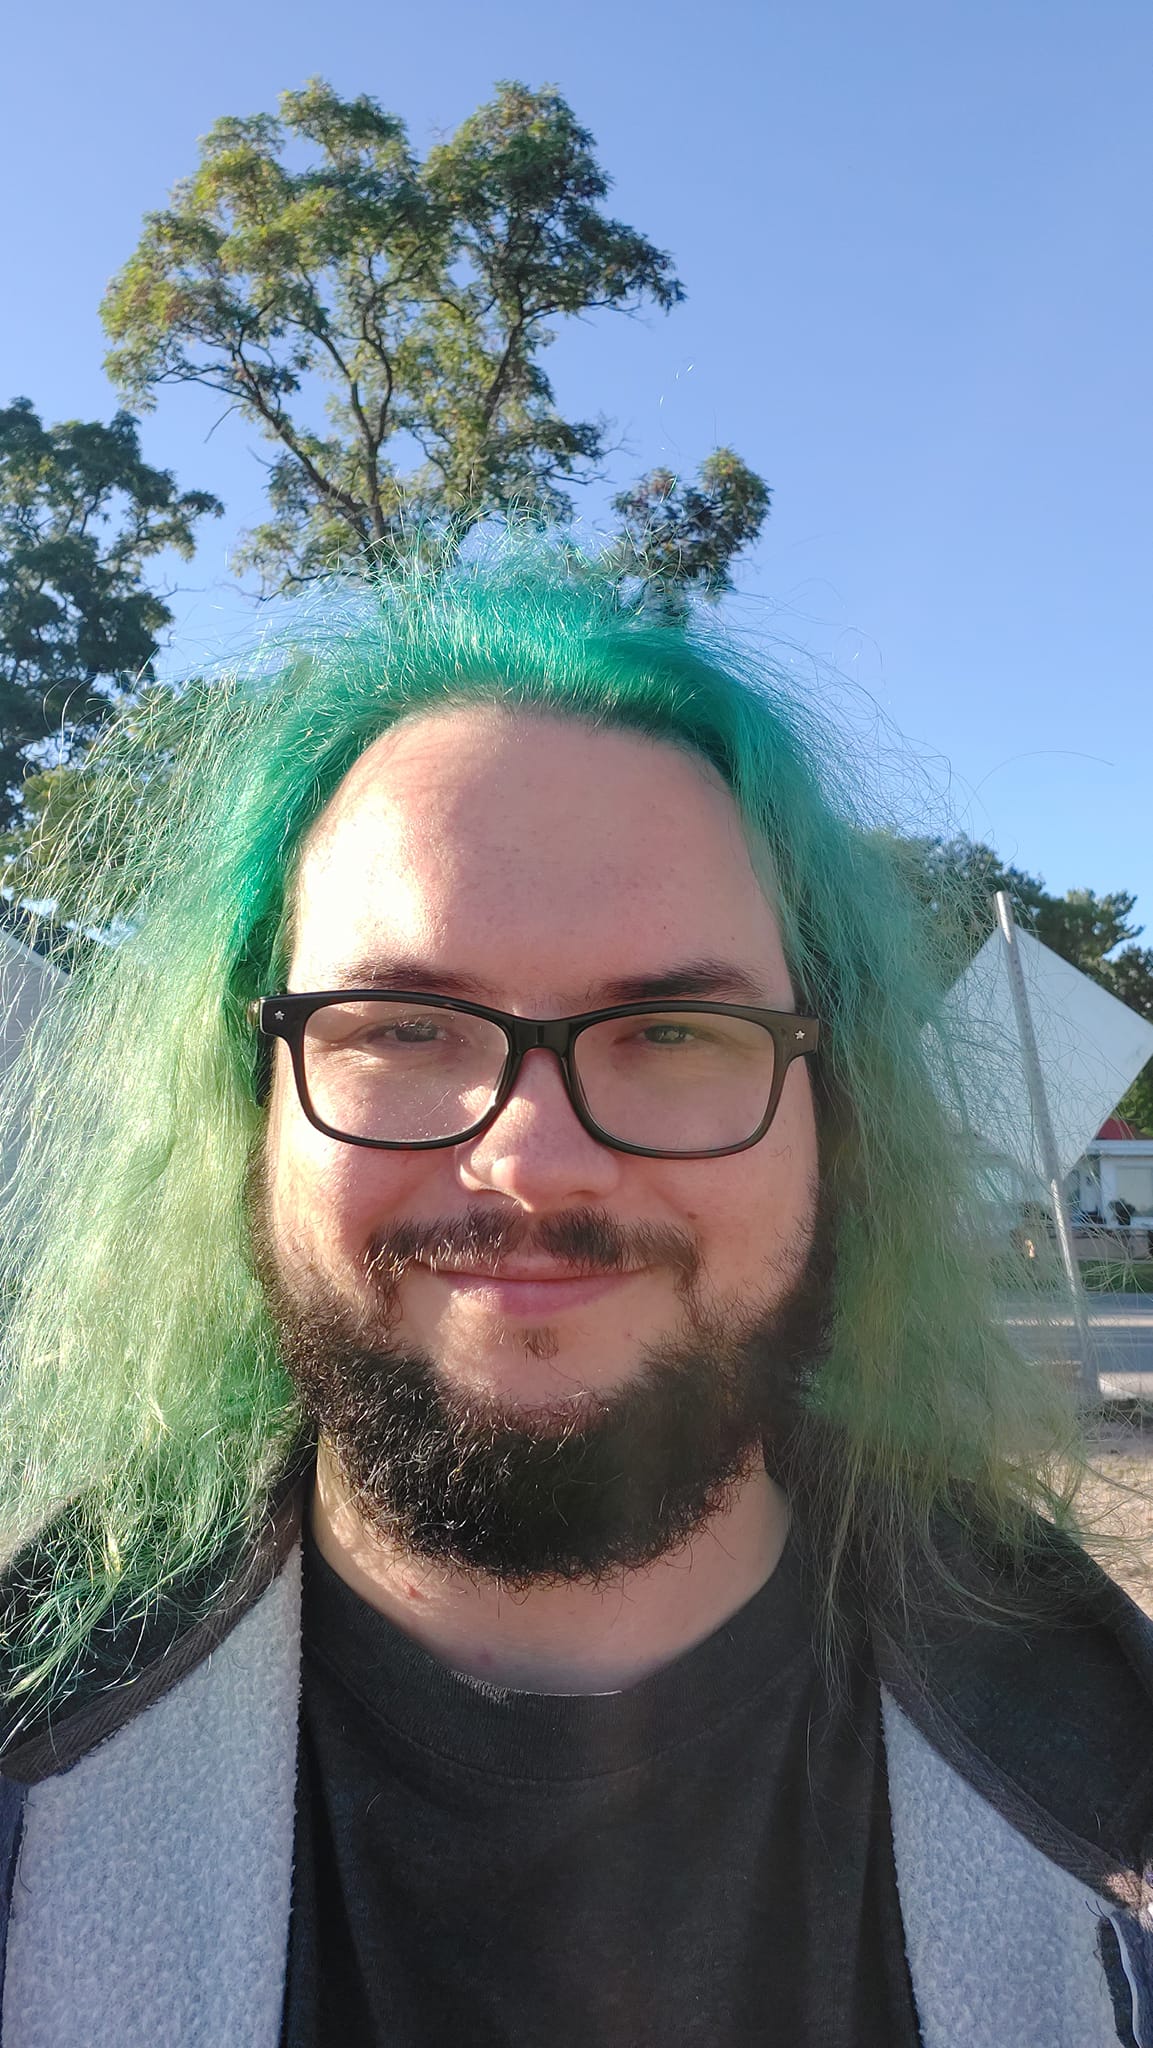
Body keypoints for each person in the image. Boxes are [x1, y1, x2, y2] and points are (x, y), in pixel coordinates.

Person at [0, 553, 1150, 2048]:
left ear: (836, 1119)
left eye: (670, 1027)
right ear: (245, 1118)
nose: (532, 1161)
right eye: (400, 1024)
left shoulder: (1111, 1786)